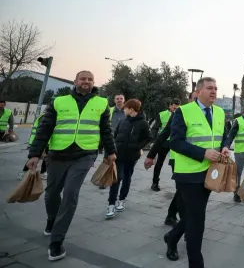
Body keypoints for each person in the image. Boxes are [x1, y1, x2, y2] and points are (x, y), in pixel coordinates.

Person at [26, 70, 116, 262]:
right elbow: (45, 128)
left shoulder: (101, 103)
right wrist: (35, 154)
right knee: (51, 194)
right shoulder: (59, 101)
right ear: (75, 81)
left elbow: (106, 130)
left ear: (93, 82)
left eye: (90, 79)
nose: (86, 81)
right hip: (57, 154)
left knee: (70, 194)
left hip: (85, 155)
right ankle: (52, 220)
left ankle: (56, 242)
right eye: (83, 78)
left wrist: (111, 151)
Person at [163, 78, 230, 267]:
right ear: (198, 91)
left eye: (216, 88)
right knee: (197, 220)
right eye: (210, 88)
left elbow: (224, 135)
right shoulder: (183, 111)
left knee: (194, 215)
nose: (214, 91)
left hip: (211, 172)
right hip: (189, 175)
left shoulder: (219, 112)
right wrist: (203, 153)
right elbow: (175, 142)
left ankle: (172, 237)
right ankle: (196, 263)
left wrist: (225, 147)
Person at [146, 92, 197, 228]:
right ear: (190, 99)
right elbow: (163, 134)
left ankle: (173, 216)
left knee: (184, 192)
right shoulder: (181, 113)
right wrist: (151, 155)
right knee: (183, 191)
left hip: (198, 161)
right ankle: (182, 222)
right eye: (196, 98)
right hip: (179, 159)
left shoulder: (209, 115)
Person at [105, 99, 150, 219]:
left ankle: (122, 199)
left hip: (132, 155)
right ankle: (111, 204)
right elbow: (115, 136)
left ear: (131, 109)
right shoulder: (123, 121)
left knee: (127, 176)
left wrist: (137, 147)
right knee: (117, 178)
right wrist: (111, 151)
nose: (124, 110)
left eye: (125, 108)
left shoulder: (143, 123)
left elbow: (148, 137)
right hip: (119, 154)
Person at [222, 101, 244, 203]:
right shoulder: (239, 121)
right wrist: (226, 146)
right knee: (238, 173)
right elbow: (231, 135)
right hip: (240, 151)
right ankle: (236, 193)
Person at [150, 99, 181, 192]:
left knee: (175, 164)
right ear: (170, 106)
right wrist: (154, 141)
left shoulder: (181, 114)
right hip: (163, 142)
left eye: (177, 108)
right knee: (159, 163)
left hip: (175, 143)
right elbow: (155, 128)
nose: (175, 110)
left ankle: (178, 187)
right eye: (174, 108)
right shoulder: (162, 114)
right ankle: (155, 182)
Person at [19, 113, 48, 180]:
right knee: (35, 158)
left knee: (45, 158)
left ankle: (42, 173)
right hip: (41, 142)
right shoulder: (45, 117)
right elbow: (42, 131)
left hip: (43, 142)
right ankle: (24, 172)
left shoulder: (45, 116)